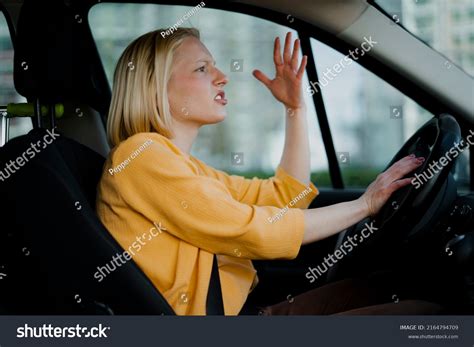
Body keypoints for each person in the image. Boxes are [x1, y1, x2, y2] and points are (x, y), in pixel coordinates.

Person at [96, 28, 440, 315]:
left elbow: (285, 199)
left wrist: (295, 108)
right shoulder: (141, 157)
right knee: (424, 316)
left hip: (250, 310)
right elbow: (255, 230)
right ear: (156, 85)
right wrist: (365, 205)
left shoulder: (183, 167)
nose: (222, 77)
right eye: (202, 69)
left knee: (386, 288)